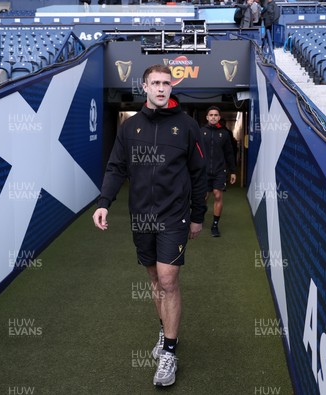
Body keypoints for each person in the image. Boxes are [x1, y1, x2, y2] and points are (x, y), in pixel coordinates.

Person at [93, 64, 207, 387]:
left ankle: (169, 352)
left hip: (174, 216)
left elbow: (199, 175)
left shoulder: (187, 127)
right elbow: (116, 168)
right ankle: (164, 328)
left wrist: (197, 215)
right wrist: (104, 203)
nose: (161, 88)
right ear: (144, 87)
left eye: (166, 83)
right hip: (141, 217)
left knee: (169, 279)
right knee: (155, 278)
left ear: (172, 87)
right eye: (155, 83)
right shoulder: (130, 128)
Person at [201, 106, 237, 237]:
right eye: (211, 115)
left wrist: (233, 171)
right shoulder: (201, 131)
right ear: (207, 117)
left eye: (216, 115)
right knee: (203, 197)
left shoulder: (225, 133)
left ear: (219, 117)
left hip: (219, 171)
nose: (213, 117)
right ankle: (201, 214)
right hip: (204, 171)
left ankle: (215, 226)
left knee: (217, 195)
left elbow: (229, 153)